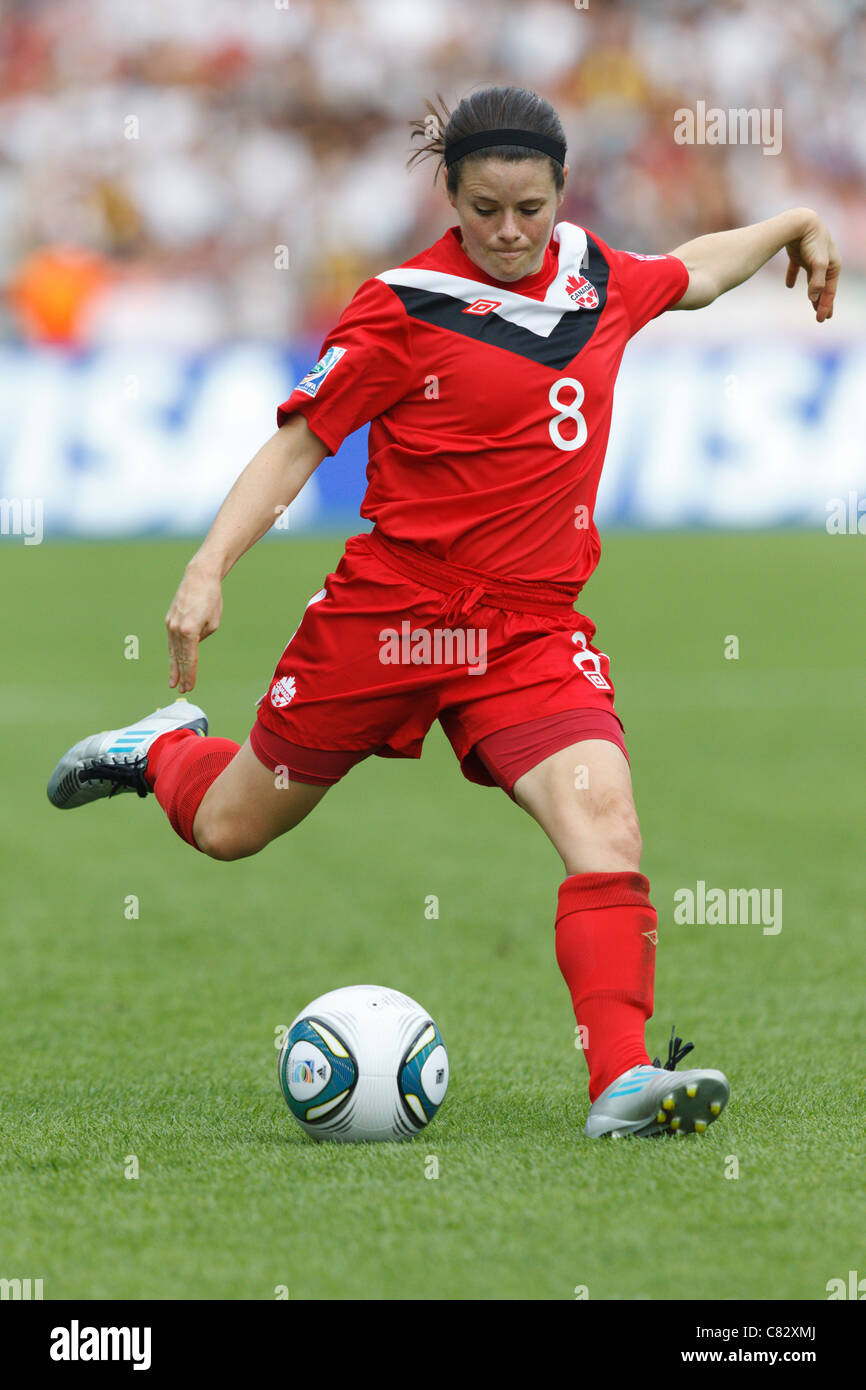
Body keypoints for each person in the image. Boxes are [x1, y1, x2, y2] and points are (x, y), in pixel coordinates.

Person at [47, 86, 839, 1138]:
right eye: (483, 209)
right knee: (232, 827)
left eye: (528, 208)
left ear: (562, 190)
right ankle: (163, 751)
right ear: (449, 197)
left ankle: (621, 1079)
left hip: (529, 629)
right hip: (389, 614)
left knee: (603, 820)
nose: (508, 232)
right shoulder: (402, 303)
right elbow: (297, 446)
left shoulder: (598, 274)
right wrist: (208, 567)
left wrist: (788, 224)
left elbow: (694, 272)